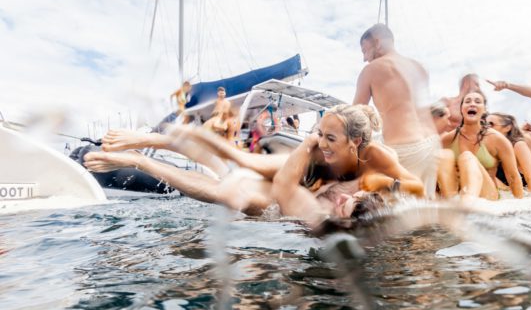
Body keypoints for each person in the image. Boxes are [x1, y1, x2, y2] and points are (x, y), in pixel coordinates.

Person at [84, 105, 423, 228]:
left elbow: (416, 189)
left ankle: (140, 160)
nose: (320, 139)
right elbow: (243, 159)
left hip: (307, 196)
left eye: (329, 137)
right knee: (237, 162)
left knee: (228, 192)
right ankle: (153, 142)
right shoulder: (315, 152)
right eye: (319, 133)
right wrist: (311, 147)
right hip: (301, 174)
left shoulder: (377, 158)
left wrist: (375, 187)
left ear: (356, 144)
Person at [353, 23, 440, 197]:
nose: (364, 58)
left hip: (404, 149)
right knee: (422, 209)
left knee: (389, 212)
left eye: (364, 50)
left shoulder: (371, 70)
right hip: (432, 145)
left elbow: (353, 117)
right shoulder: (420, 67)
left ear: (377, 42)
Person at [438, 90, 524, 200]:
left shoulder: (497, 139)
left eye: (478, 102)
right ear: (462, 109)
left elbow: (513, 177)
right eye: (467, 101)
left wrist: (518, 209)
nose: (472, 104)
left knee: (467, 157)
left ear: (484, 110)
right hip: (455, 194)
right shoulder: (448, 139)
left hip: (487, 195)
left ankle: (467, 202)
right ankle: (450, 204)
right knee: (442, 155)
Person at [486, 113, 531, 191]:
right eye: (485, 125)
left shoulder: (520, 144)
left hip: (530, 186)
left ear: (507, 127)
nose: (487, 128)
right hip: (511, 188)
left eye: (491, 124)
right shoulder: (491, 146)